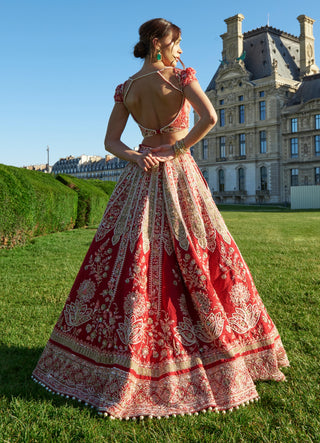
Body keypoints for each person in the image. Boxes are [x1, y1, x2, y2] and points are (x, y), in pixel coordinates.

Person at [32, 18, 289, 420]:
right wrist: (180, 148)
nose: (181, 51)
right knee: (201, 251)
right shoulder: (180, 77)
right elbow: (209, 118)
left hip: (140, 175)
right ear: (158, 43)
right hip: (177, 171)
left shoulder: (127, 88)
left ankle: (112, 349)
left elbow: (110, 142)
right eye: (177, 43)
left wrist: (136, 156)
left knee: (130, 254)